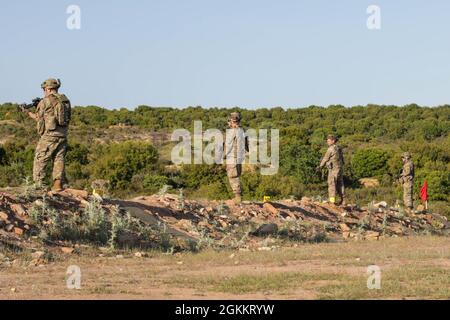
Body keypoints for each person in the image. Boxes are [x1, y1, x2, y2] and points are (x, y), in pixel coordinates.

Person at [25, 78, 71, 192]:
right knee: (59, 159)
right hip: (63, 134)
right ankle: (58, 184)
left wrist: (28, 113)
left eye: (44, 89)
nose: (44, 92)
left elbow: (38, 118)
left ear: (48, 89)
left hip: (50, 135)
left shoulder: (45, 101)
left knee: (40, 159)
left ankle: (39, 186)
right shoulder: (65, 100)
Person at [224, 112, 247, 204]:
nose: (228, 123)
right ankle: (238, 196)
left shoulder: (233, 132)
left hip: (233, 157)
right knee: (236, 175)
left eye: (229, 121)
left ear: (232, 121)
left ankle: (237, 197)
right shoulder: (241, 131)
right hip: (239, 157)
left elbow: (228, 146)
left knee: (233, 176)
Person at [317, 134, 345, 205]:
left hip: (333, 170)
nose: (327, 142)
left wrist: (320, 166)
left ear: (333, 141)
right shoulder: (338, 148)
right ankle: (343, 200)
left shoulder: (330, 149)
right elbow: (342, 159)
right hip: (340, 169)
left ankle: (332, 201)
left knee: (332, 185)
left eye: (329, 141)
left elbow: (325, 159)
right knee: (340, 185)